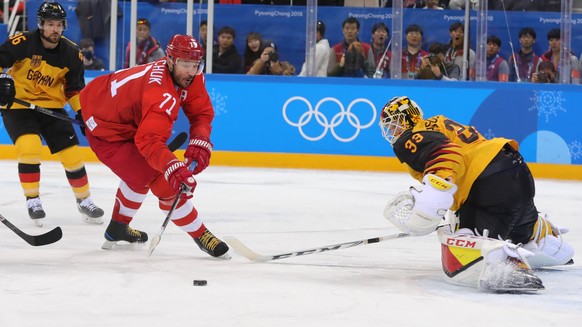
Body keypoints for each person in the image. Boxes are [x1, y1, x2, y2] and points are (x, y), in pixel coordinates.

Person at [379, 96, 574, 292]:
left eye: (392, 124)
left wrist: (433, 198)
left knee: (464, 238)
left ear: (403, 120)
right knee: (517, 222)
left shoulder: (410, 137)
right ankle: (542, 235)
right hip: (516, 172)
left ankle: (508, 265)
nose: (391, 131)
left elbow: (448, 153)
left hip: (487, 185)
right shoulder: (437, 122)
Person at [78, 34, 230, 258]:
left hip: (118, 112)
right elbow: (148, 141)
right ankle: (201, 234)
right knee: (160, 180)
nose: (191, 71)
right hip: (106, 130)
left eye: (195, 65)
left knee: (140, 174)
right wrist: (172, 166)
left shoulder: (193, 76)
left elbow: (201, 113)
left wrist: (200, 140)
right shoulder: (160, 93)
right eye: (185, 65)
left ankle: (117, 229)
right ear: (170, 61)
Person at [0, 2, 104, 227]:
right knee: (29, 148)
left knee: (73, 155)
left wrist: (82, 111)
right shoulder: (22, 43)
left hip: (51, 107)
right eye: (50, 24)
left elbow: (74, 89)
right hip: (19, 107)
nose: (54, 29)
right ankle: (33, 200)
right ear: (40, 25)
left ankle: (84, 200)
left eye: (58, 25)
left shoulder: (71, 52)